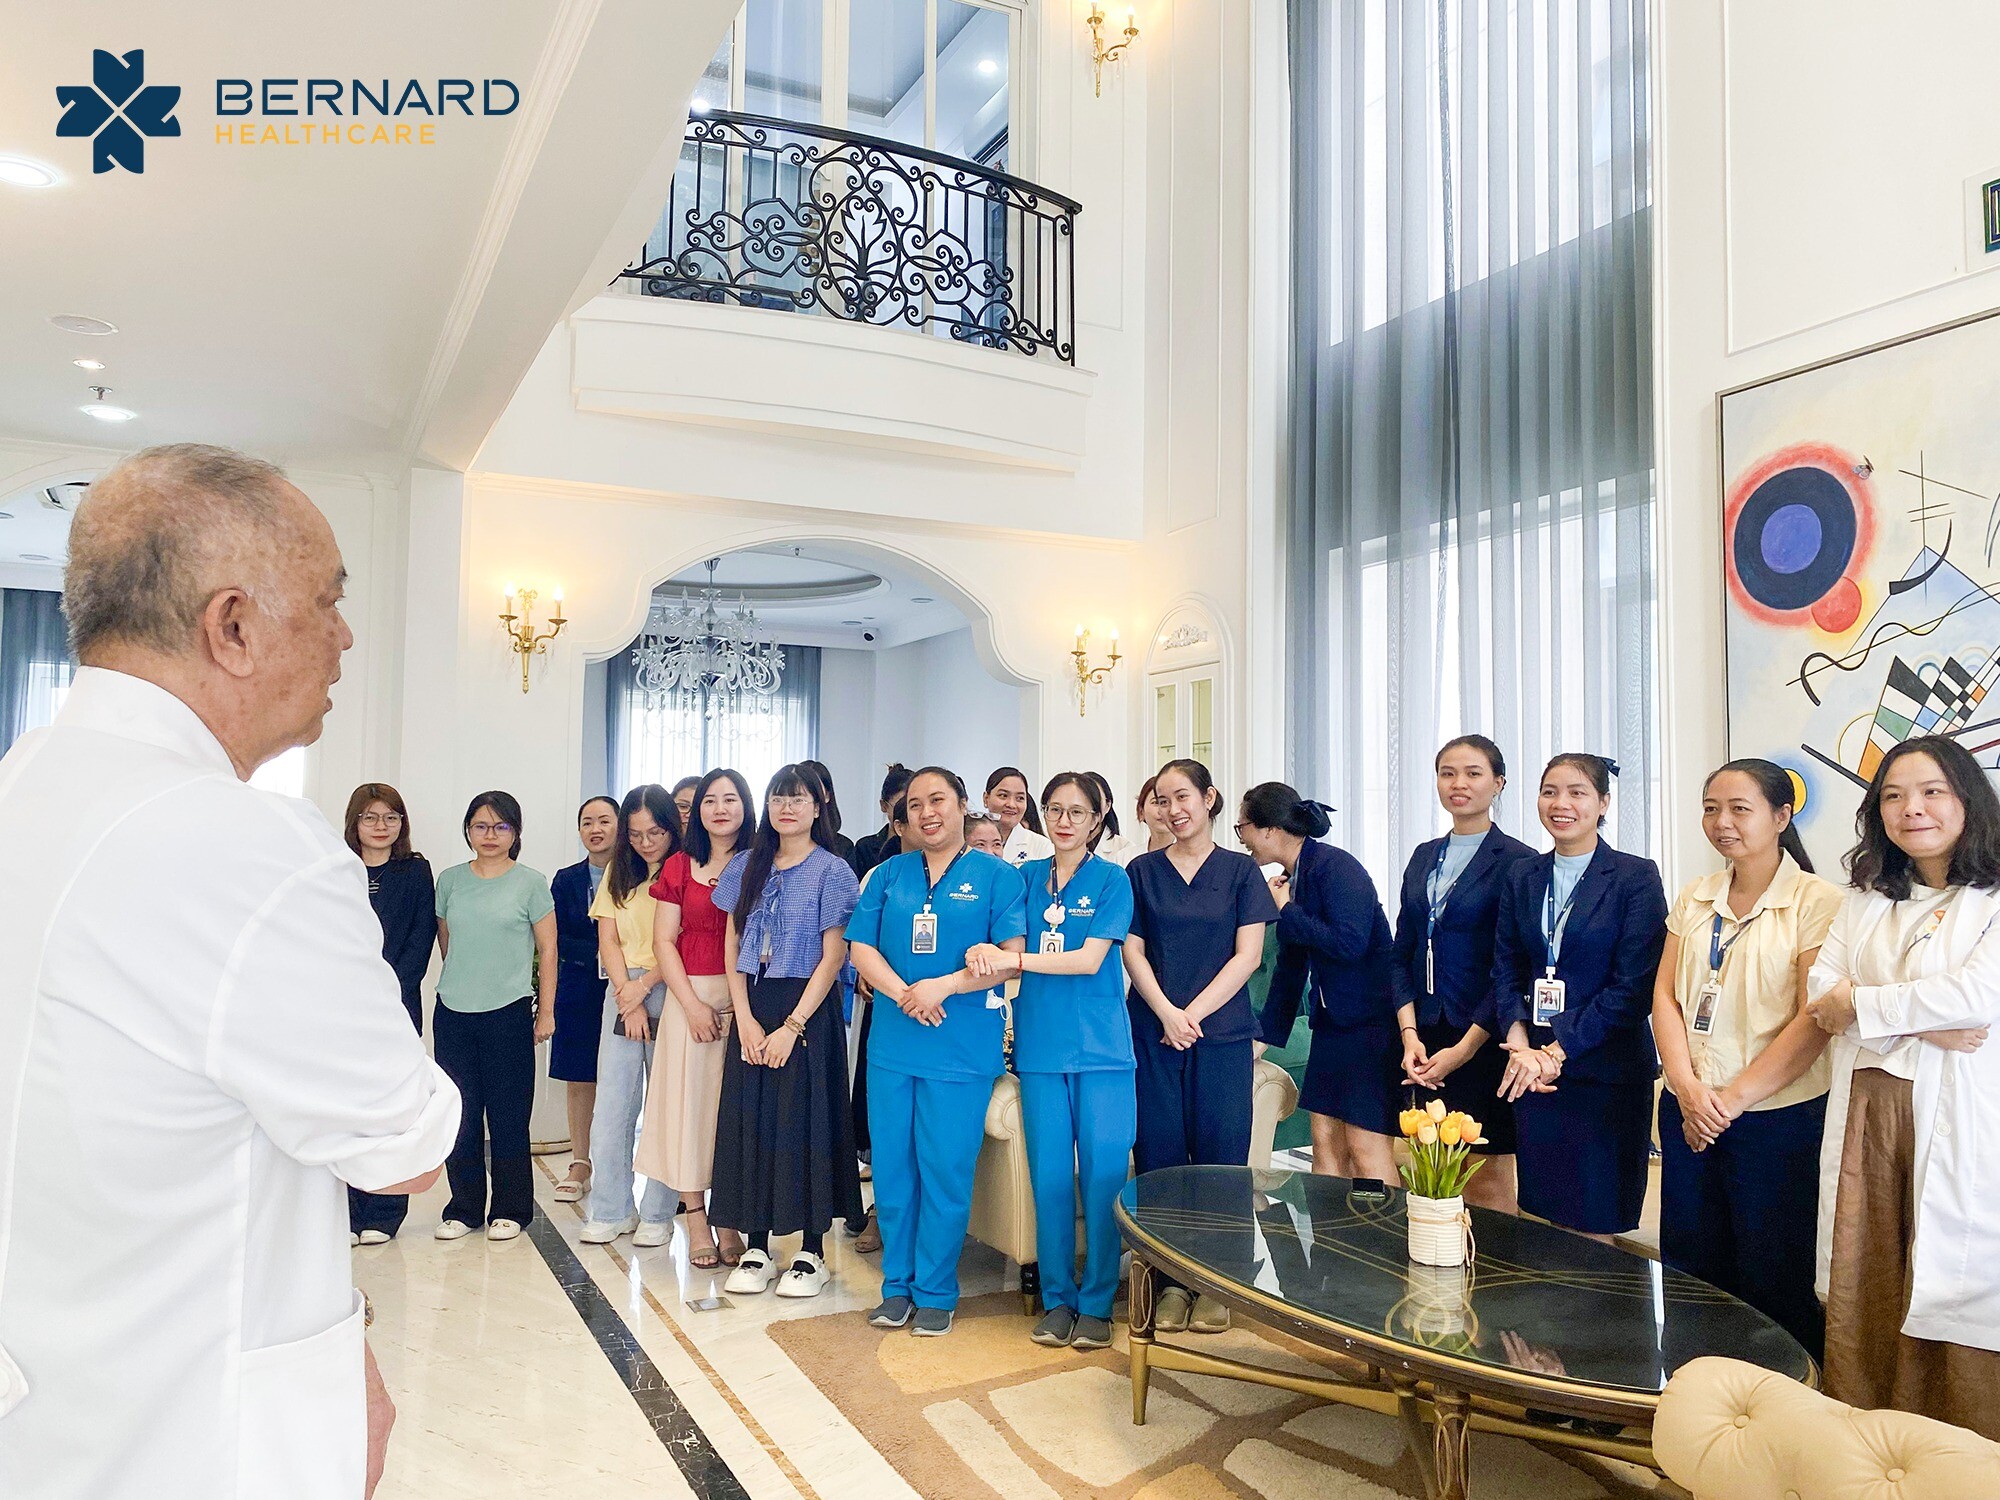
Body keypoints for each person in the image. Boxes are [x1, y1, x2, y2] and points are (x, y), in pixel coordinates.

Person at [0, 443, 458, 1499]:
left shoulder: (24, 781)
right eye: (329, 601)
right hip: (187, 1423)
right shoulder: (253, 849)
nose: (345, 637)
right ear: (235, 626)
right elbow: (404, 1145)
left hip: (53, 1394)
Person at [1803, 735, 2000, 1437]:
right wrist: (1922, 1021)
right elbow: (1820, 993)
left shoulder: (1992, 897)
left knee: (1952, 1278)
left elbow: (1976, 997)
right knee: (1868, 1272)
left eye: (1931, 792)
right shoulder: (1865, 899)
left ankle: (1956, 1450)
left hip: (1958, 1114)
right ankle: (1868, 1441)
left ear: (1967, 800)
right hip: (1869, 1113)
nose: (1911, 808)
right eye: (1892, 795)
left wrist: (1864, 1007)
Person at [1650, 759, 1844, 1356]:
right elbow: (1664, 997)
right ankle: (1695, 1389)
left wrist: (1727, 1102)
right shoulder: (1695, 895)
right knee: (1690, 1269)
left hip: (1775, 1119)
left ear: (1782, 816)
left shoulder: (1818, 901)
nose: (1722, 822)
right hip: (1688, 1110)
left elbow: (1813, 1019)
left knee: (1773, 1275)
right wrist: (1687, 1089)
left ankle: (1781, 1399)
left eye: (1740, 809)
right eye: (1711, 808)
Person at [849, 766, 1028, 1336]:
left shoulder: (999, 877)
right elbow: (860, 949)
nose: (927, 813)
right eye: (916, 804)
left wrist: (944, 987)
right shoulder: (887, 875)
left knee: (945, 1171)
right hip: (893, 1046)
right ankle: (896, 1287)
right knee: (893, 1172)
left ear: (962, 804)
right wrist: (907, 994)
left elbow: (1010, 957)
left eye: (938, 800)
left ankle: (935, 1290)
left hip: (960, 1049)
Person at [967, 773, 1135, 1350]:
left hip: (1103, 1053)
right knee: (1050, 1178)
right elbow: (1001, 943)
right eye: (1056, 810)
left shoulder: (1113, 880)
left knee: (1104, 1178)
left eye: (1077, 812)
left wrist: (1013, 960)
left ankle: (1098, 1302)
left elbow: (1089, 960)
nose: (1065, 821)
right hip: (1040, 1051)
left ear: (1096, 819)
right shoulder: (1023, 879)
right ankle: (1059, 1298)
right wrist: (988, 953)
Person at [1124, 758, 1278, 1334]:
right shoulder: (1142, 871)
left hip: (1222, 1035)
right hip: (1154, 1032)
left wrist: (1192, 1015)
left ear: (1209, 798)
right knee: (1160, 1158)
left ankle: (1219, 1282)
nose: (1173, 809)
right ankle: (1169, 1281)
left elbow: (1249, 956)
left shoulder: (1241, 872)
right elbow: (1132, 949)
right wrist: (1167, 1012)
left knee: (1221, 1159)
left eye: (1183, 796)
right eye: (1162, 800)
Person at [1491, 754, 1667, 1243]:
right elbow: (1505, 967)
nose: (1560, 803)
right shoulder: (1523, 875)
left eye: (1577, 792)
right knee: (1545, 1219)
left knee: (1593, 1226)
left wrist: (1555, 1052)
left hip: (1605, 1074)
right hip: (1532, 1073)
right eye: (1549, 792)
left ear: (1603, 803)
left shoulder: (1634, 877)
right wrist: (1520, 1045)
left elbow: (1634, 987)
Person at [710, 765, 863, 1299]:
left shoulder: (833, 870)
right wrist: (746, 1018)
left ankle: (811, 1251)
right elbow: (731, 946)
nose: (787, 808)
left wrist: (792, 1026)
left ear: (818, 808)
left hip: (808, 1009)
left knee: (806, 1122)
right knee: (751, 1120)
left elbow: (833, 956)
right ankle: (756, 1245)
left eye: (798, 799)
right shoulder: (745, 865)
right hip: (754, 1003)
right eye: (778, 798)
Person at [1391, 736, 1536, 1212]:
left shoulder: (1519, 861)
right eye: (1447, 773)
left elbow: (1511, 966)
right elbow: (1402, 951)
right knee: (1429, 1173)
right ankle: (1441, 1257)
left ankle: (1494, 1263)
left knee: (1485, 1178)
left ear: (1498, 784)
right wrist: (1409, 1034)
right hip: (1424, 1038)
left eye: (1473, 773)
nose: (1459, 783)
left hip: (1483, 1036)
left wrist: (1465, 1049)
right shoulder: (1423, 855)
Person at [1239, 783, 1399, 1183]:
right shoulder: (1294, 878)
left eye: (1243, 827)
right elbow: (1291, 969)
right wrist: (1263, 1039)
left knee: (1365, 1149)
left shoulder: (1336, 867)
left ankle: (1386, 1227)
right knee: (1325, 1145)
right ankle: (1329, 1227)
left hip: (1369, 1028)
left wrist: (1287, 909)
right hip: (1330, 1028)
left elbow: (1349, 943)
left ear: (1270, 829)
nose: (1242, 838)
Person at [638, 768, 754, 1269]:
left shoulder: (761, 863)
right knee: (688, 1109)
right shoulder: (679, 866)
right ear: (697, 810)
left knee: (729, 1114)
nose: (720, 809)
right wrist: (690, 1005)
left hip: (747, 1002)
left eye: (730, 799)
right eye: (710, 800)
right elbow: (664, 941)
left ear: (746, 806)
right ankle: (697, 1219)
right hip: (690, 999)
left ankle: (730, 1218)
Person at [434, 790, 558, 1243]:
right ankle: (464, 1208)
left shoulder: (531, 883)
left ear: (515, 832)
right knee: (461, 1115)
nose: (490, 835)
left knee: (508, 1116)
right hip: (453, 1011)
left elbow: (548, 950)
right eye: (481, 826)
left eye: (501, 826)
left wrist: (546, 1012)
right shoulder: (450, 880)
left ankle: (510, 1209)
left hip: (508, 1012)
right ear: (468, 831)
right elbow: (447, 941)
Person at [579, 784, 680, 1246]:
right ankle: (612, 1208)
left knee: (665, 1104)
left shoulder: (684, 868)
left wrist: (643, 988)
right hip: (622, 992)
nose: (645, 842)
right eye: (635, 834)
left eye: (655, 832)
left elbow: (683, 940)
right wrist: (628, 995)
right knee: (612, 1106)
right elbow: (609, 939)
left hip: (671, 986)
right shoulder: (617, 871)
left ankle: (659, 1212)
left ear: (672, 828)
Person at [344, 782, 440, 1244]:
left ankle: (384, 1214)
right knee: (348, 1112)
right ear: (355, 822)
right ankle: (348, 1212)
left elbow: (421, 938)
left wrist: (388, 991)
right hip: (344, 1007)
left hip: (397, 1006)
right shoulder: (337, 867)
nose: (381, 826)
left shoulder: (415, 870)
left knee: (392, 1112)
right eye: (370, 817)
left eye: (391, 817)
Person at [550, 797, 620, 1203]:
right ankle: (580, 1161)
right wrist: (599, 950)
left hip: (629, 984)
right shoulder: (567, 879)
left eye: (604, 821)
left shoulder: (637, 874)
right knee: (579, 1074)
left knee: (625, 1076)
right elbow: (554, 936)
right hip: (579, 985)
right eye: (587, 822)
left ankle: (621, 1161)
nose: (596, 829)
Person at [851, 763, 914, 876]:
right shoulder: (865, 848)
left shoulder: (928, 845)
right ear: (884, 806)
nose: (908, 813)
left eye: (915, 805)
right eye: (900, 806)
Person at [986, 766, 1054, 866]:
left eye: (1020, 798)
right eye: (1003, 795)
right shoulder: (969, 840)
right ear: (986, 799)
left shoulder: (1042, 846)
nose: (1011, 804)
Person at [1086, 771, 1140, 866]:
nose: (1088, 806)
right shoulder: (1061, 844)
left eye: (1095, 799)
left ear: (1108, 805)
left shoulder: (1125, 849)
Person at [1135, 774, 1172, 853]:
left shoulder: (1194, 855)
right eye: (1156, 802)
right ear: (1141, 812)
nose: (1162, 810)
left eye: (1165, 802)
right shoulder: (1124, 857)